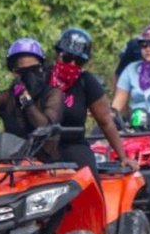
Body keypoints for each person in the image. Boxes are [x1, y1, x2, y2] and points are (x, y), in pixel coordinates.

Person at [49, 27, 127, 171]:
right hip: (39, 147)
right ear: (57, 55)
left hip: (73, 145)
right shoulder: (41, 78)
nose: (72, 64)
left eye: (78, 61)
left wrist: (123, 157)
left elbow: (105, 122)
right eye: (67, 58)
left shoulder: (87, 82)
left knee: (90, 182)